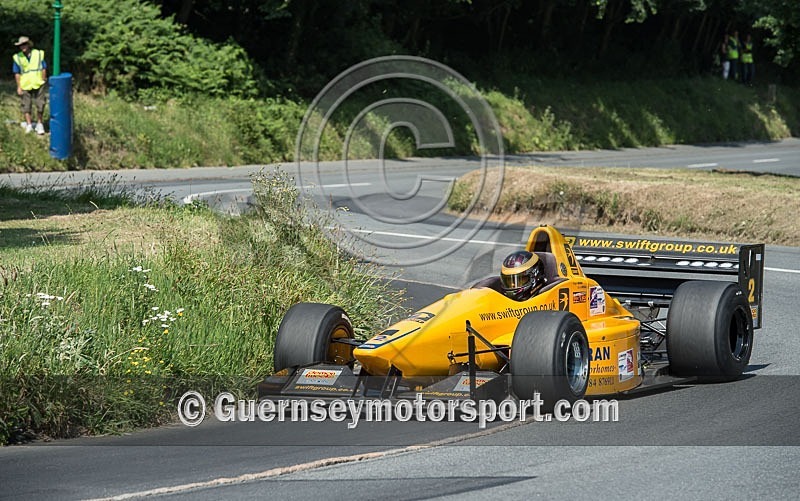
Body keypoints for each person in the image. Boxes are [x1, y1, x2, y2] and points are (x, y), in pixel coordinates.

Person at [12, 36, 47, 135]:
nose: (23, 47)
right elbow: (17, 73)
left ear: (28, 44)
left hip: (38, 82)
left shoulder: (38, 54)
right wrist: (19, 86)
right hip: (25, 84)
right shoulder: (17, 57)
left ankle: (40, 124)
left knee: (40, 104)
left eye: (24, 44)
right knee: (26, 105)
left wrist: (43, 79)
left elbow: (43, 67)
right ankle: (29, 124)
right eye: (20, 45)